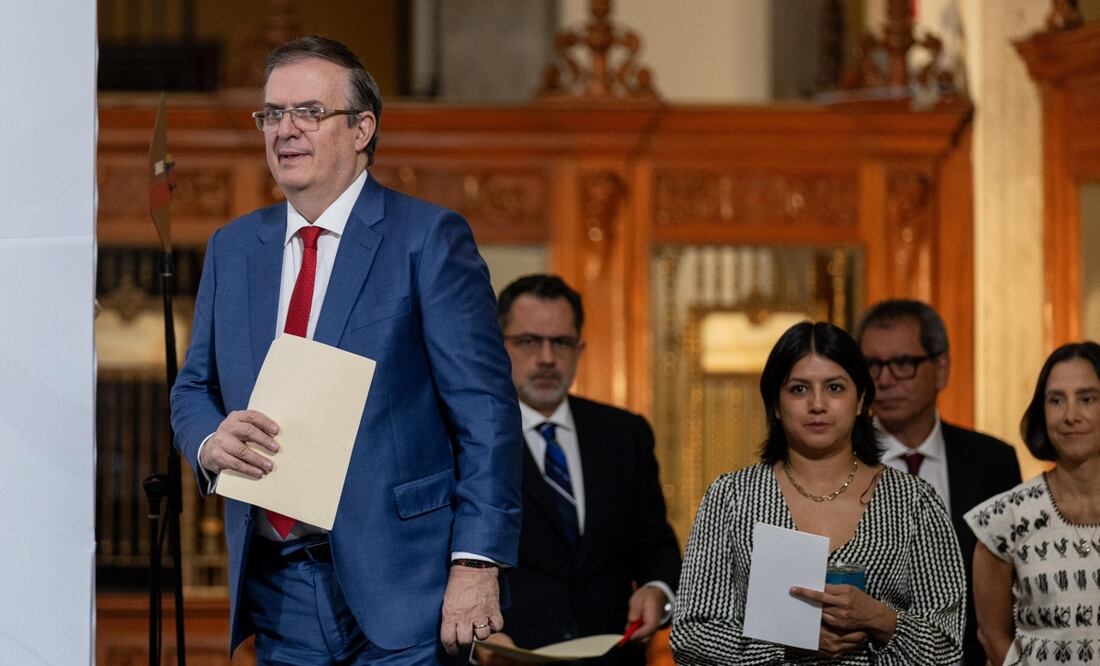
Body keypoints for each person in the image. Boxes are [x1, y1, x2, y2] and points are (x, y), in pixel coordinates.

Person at [169, 36, 522, 664]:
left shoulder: (428, 239)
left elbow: (485, 413)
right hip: (278, 590)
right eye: (272, 114)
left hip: (407, 588)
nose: (285, 130)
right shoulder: (233, 247)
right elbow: (194, 387)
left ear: (362, 129)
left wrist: (477, 563)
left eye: (309, 112)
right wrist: (208, 442)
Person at [672, 321, 965, 664]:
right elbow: (690, 636)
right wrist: (791, 643)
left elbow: (948, 648)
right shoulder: (732, 497)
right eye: (798, 389)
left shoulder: (913, 501)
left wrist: (880, 619)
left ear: (861, 401)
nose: (817, 404)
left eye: (835, 388)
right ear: (776, 405)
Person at [474, 275, 681, 666]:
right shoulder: (467, 437)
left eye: (562, 342)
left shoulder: (625, 434)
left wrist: (657, 591)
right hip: (512, 657)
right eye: (529, 341)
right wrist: (476, 642)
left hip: (613, 656)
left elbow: (655, 544)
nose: (547, 358)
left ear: (580, 349)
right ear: (499, 345)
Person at [858, 299, 1022, 665]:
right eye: (872, 365)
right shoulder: (838, 460)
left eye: (902, 363)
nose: (884, 380)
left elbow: (1012, 588)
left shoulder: (992, 462)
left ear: (942, 369)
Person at [965, 342, 1100, 665]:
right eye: (1056, 400)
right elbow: (991, 635)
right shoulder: (1005, 518)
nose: (1070, 415)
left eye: (1087, 399)